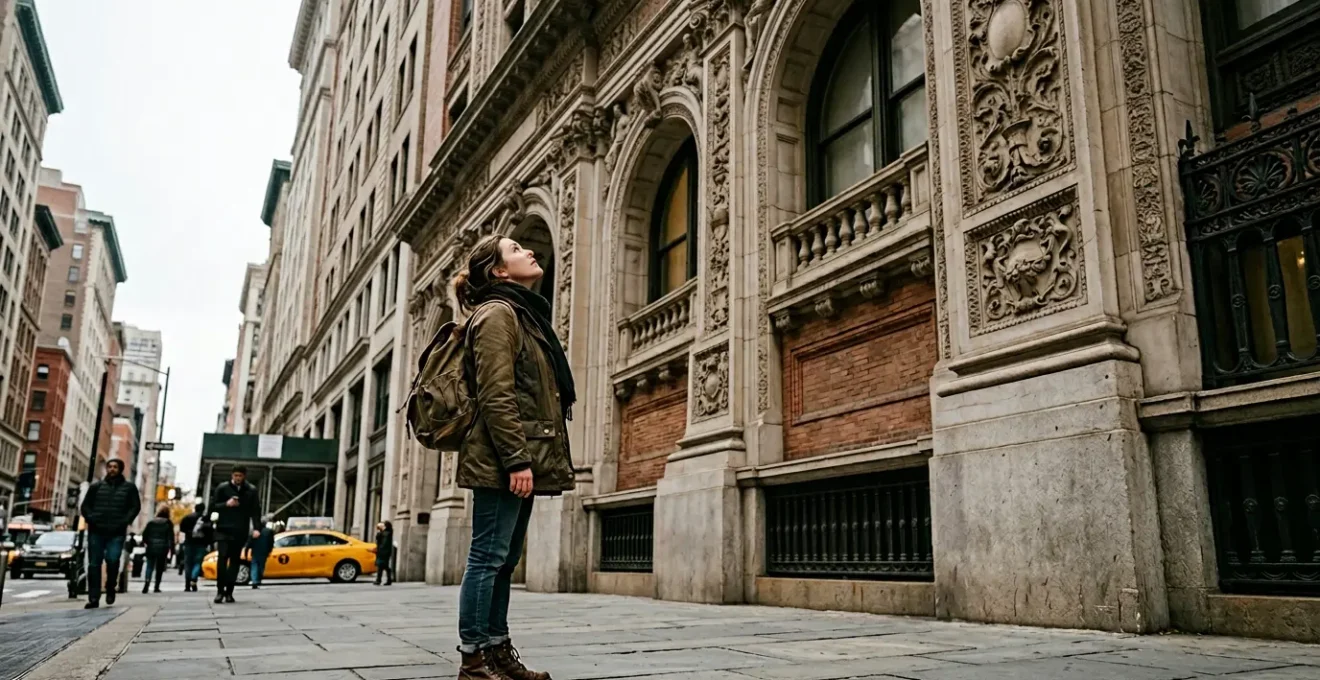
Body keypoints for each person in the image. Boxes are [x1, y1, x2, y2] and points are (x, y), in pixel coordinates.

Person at [451, 234, 575, 680]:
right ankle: (473, 661)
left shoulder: (520, 314)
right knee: (487, 557)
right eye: (516, 249)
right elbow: (496, 394)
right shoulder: (498, 315)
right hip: (502, 460)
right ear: (499, 271)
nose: (528, 251)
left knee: (504, 559)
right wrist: (517, 460)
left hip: (516, 455)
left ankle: (497, 650)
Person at [79, 458, 141, 609]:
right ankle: (94, 598)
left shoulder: (129, 488)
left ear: (120, 469)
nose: (112, 469)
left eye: (115, 467)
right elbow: (85, 507)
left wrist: (124, 521)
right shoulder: (96, 487)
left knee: (113, 561)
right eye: (110, 467)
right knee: (94, 564)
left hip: (116, 532)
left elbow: (135, 507)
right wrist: (92, 519)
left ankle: (111, 587)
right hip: (96, 531)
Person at [209, 466, 261, 604]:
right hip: (223, 529)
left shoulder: (251, 490)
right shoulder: (222, 488)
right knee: (222, 559)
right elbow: (212, 506)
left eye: (240, 476)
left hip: (240, 530)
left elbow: (255, 510)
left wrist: (256, 528)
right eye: (236, 475)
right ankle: (220, 591)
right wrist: (226, 504)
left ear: (244, 476)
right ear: (232, 475)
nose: (238, 478)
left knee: (235, 561)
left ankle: (229, 592)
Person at [178, 503, 211, 592]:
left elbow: (182, 530)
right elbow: (210, 532)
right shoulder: (206, 519)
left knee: (188, 563)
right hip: (201, 544)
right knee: (198, 562)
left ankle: (187, 585)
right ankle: (194, 578)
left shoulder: (187, 518)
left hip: (189, 543)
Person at [140, 506, 174, 593]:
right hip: (162, 548)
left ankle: (147, 583)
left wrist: (148, 543)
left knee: (149, 566)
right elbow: (170, 537)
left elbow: (144, 535)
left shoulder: (151, 522)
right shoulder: (168, 523)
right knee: (159, 568)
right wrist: (171, 549)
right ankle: (156, 586)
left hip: (151, 547)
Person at [247, 517, 275, 589]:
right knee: (261, 566)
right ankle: (258, 580)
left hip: (255, 551)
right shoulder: (269, 531)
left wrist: (247, 550)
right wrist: (269, 550)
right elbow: (271, 542)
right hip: (264, 551)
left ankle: (254, 581)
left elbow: (249, 542)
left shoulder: (254, 532)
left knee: (254, 566)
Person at [373, 521, 394, 586]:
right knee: (384, 567)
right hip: (383, 552)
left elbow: (383, 543)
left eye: (383, 525)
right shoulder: (385, 532)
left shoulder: (386, 533)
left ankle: (379, 580)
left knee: (381, 566)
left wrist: (380, 551)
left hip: (383, 552)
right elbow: (378, 538)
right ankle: (387, 580)